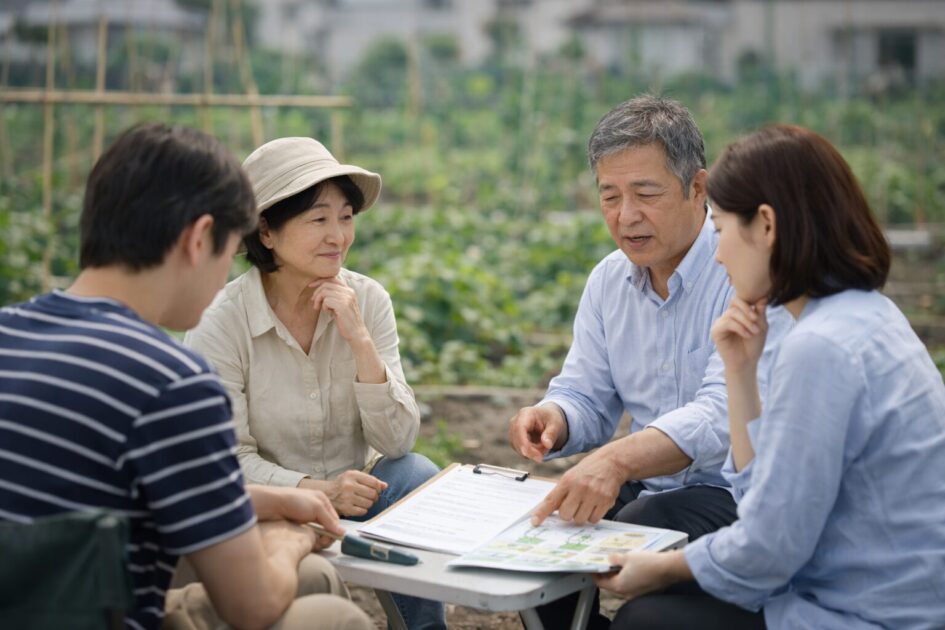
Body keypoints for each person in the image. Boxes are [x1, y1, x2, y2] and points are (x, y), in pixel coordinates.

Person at [0, 123, 371, 630]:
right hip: (107, 614)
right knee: (330, 615)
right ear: (199, 239)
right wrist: (291, 537)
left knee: (314, 581)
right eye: (230, 250)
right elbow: (252, 606)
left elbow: (121, 494)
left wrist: (278, 497)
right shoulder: (170, 383)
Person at [596, 124, 945, 629]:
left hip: (870, 613)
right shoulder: (865, 315)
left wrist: (659, 568)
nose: (718, 255)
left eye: (720, 231)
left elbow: (769, 547)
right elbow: (759, 500)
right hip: (868, 594)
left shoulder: (821, 348)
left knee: (648, 620)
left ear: (765, 226)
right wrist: (740, 372)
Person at [507, 95, 789, 629]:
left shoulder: (742, 270)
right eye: (609, 196)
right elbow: (586, 392)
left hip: (729, 492)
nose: (625, 215)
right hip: (647, 488)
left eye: (646, 194)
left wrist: (618, 461)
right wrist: (555, 418)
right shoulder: (609, 280)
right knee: (535, 534)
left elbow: (719, 416)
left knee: (640, 520)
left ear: (698, 188)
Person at [184, 137, 445, 629]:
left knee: (415, 473)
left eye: (345, 217)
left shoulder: (366, 299)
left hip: (356, 489)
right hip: (267, 508)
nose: (338, 237)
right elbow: (223, 463)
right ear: (266, 231)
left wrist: (360, 340)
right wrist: (317, 490)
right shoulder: (221, 322)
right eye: (317, 219)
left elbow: (396, 440)